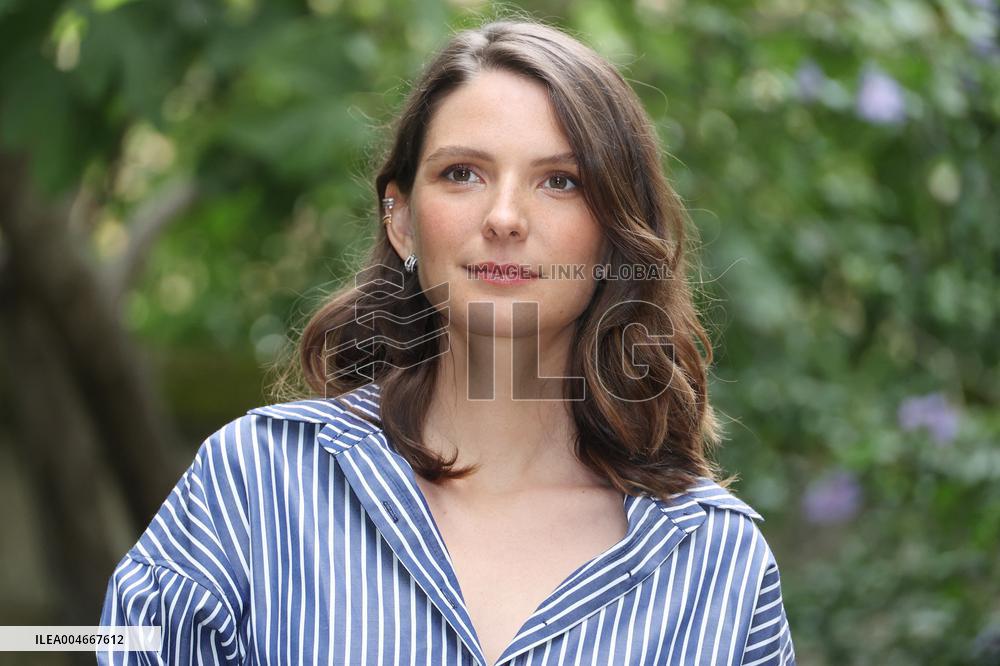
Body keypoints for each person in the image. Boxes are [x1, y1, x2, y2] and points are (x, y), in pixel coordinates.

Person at [99, 17, 795, 666]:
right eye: (463, 173)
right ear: (400, 219)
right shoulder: (258, 481)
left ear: (615, 235)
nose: (504, 217)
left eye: (560, 181)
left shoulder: (716, 562)